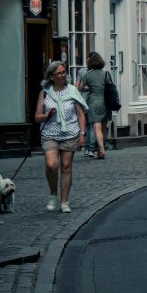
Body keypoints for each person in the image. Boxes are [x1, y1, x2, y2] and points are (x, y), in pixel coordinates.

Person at [35, 60, 88, 213]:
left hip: (70, 133)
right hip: (50, 134)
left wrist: (82, 133)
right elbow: (37, 117)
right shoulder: (45, 92)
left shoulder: (72, 90)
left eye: (64, 72)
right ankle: (53, 194)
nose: (62, 75)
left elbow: (80, 114)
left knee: (66, 167)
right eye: (58, 73)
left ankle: (64, 201)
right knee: (52, 165)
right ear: (51, 76)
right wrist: (46, 115)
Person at [77, 52, 111, 159]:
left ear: (90, 62)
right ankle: (103, 148)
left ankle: (101, 150)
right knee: (104, 128)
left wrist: (90, 88)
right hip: (106, 102)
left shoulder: (88, 74)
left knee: (97, 126)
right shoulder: (106, 74)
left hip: (94, 102)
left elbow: (80, 88)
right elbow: (110, 87)